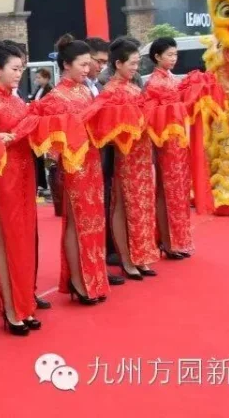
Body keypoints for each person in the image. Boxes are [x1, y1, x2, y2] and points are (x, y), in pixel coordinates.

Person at [0, 42, 41, 336]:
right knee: (8, 239)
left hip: (25, 172)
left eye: (21, 69)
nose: (18, 74)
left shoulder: (15, 99)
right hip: (5, 176)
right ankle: (11, 309)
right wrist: (6, 135)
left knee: (25, 238)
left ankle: (25, 305)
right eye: (14, 69)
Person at [41, 35, 110, 304]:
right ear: (66, 65)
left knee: (94, 220)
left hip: (91, 160)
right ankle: (78, 281)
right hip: (72, 164)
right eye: (82, 64)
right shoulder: (55, 97)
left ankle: (94, 278)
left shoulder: (84, 91)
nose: (87, 69)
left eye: (88, 64)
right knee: (76, 221)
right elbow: (54, 140)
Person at [100, 39, 160, 280]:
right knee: (123, 205)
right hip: (125, 155)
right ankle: (126, 259)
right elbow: (108, 130)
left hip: (142, 154)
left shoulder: (134, 87)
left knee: (142, 206)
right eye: (132, 63)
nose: (136, 68)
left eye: (137, 63)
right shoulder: (109, 91)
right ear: (118, 64)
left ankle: (141, 256)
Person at [144, 37, 193, 259]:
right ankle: (168, 241)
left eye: (175, 54)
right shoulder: (154, 83)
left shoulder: (172, 79)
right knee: (167, 192)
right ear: (157, 57)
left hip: (179, 143)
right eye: (169, 55)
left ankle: (178, 240)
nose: (174, 59)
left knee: (178, 192)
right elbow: (150, 115)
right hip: (165, 143)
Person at [85, 37, 126, 288]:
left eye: (103, 62)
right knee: (88, 218)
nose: (100, 66)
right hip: (85, 159)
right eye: (96, 61)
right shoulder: (87, 88)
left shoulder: (95, 86)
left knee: (99, 213)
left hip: (101, 154)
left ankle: (98, 264)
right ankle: (88, 270)